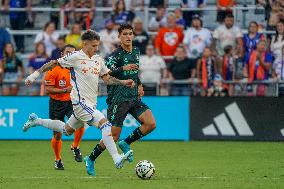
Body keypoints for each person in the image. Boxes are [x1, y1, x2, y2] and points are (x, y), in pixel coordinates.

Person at [23, 30, 134, 176]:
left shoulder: (98, 59)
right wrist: (34, 75)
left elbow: (107, 79)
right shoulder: (75, 57)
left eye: (97, 45)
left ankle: (36, 121)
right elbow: (53, 63)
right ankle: (116, 158)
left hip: (90, 104)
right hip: (79, 103)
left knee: (67, 130)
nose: (96, 48)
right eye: (93, 45)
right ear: (85, 44)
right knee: (105, 125)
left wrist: (123, 82)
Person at [85, 24, 156, 168]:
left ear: (133, 36)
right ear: (119, 37)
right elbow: (106, 75)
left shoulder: (136, 51)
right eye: (125, 34)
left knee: (150, 124)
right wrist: (123, 68)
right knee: (113, 136)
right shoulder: (115, 55)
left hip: (133, 97)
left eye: (130, 34)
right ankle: (91, 158)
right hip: (118, 99)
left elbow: (134, 73)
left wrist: (140, 84)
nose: (128, 36)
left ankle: (127, 143)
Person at [44, 44, 85, 170]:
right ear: (62, 54)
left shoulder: (77, 68)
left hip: (71, 102)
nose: (70, 55)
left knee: (81, 122)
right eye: (67, 52)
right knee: (57, 135)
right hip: (56, 104)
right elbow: (48, 90)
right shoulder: (53, 69)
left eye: (72, 53)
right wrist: (64, 90)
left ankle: (75, 146)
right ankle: (58, 159)